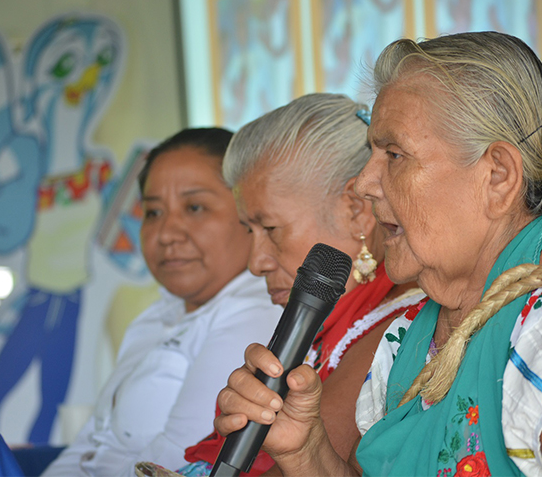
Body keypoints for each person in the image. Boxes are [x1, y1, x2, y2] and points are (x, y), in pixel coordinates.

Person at [214, 32, 542, 476]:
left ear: (497, 176)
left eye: (395, 154)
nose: (366, 183)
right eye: (371, 154)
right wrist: (306, 454)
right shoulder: (410, 336)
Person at [179, 94, 423, 476]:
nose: (255, 262)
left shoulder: (401, 324)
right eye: (249, 230)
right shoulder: (325, 332)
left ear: (356, 211)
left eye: (270, 229)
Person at [42, 128, 282, 476]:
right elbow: (88, 448)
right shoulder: (158, 314)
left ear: (250, 214)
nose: (167, 233)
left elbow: (175, 459)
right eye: (153, 212)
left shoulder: (256, 309)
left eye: (195, 207)